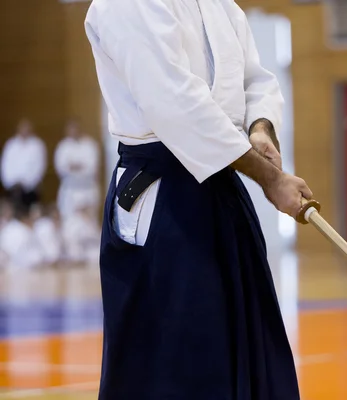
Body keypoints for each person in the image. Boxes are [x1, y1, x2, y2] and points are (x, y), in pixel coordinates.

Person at [85, 0, 312, 398]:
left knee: (246, 344)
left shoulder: (219, 3)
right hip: (163, 195)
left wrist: (260, 128)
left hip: (223, 181)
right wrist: (271, 180)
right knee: (179, 357)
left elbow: (255, 78)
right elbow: (176, 106)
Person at [54, 119, 100, 220]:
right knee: (69, 222)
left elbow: (91, 168)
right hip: (70, 191)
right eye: (71, 128)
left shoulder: (90, 145)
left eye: (75, 128)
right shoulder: (63, 146)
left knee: (89, 224)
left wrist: (74, 166)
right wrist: (78, 166)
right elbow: (61, 169)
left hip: (87, 189)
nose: (73, 131)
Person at [0, 119, 47, 213]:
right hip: (13, 188)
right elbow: (5, 165)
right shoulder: (11, 144)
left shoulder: (37, 145)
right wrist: (10, 182)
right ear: (18, 129)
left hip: (31, 188)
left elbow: (40, 167)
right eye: (22, 128)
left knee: (30, 213)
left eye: (27, 128)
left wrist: (28, 182)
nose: (24, 130)